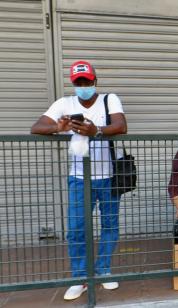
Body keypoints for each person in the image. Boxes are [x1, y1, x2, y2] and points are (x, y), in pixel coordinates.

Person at [31, 60, 127, 300]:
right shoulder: (65, 103)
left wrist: (97, 131)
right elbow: (36, 127)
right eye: (79, 82)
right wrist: (58, 126)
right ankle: (81, 278)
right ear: (74, 83)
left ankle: (103, 269)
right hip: (79, 178)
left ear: (95, 81)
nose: (83, 86)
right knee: (75, 229)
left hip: (110, 177)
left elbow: (121, 125)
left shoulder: (109, 99)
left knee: (110, 225)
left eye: (87, 81)